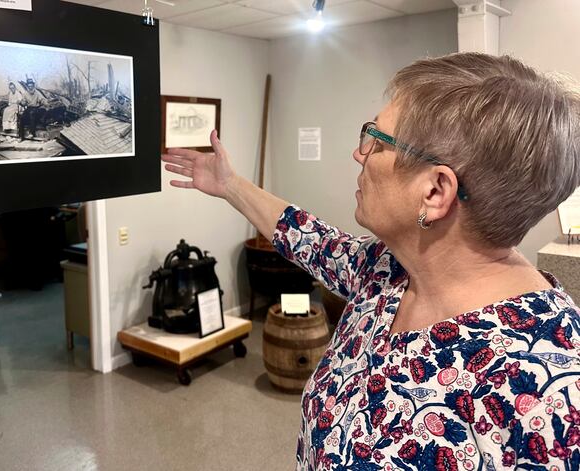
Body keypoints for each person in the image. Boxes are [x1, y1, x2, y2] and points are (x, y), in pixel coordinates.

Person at [162, 52, 580, 470]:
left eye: (378, 141)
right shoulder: (387, 271)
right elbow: (306, 236)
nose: (359, 154)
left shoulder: (548, 389)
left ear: (435, 191)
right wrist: (230, 185)